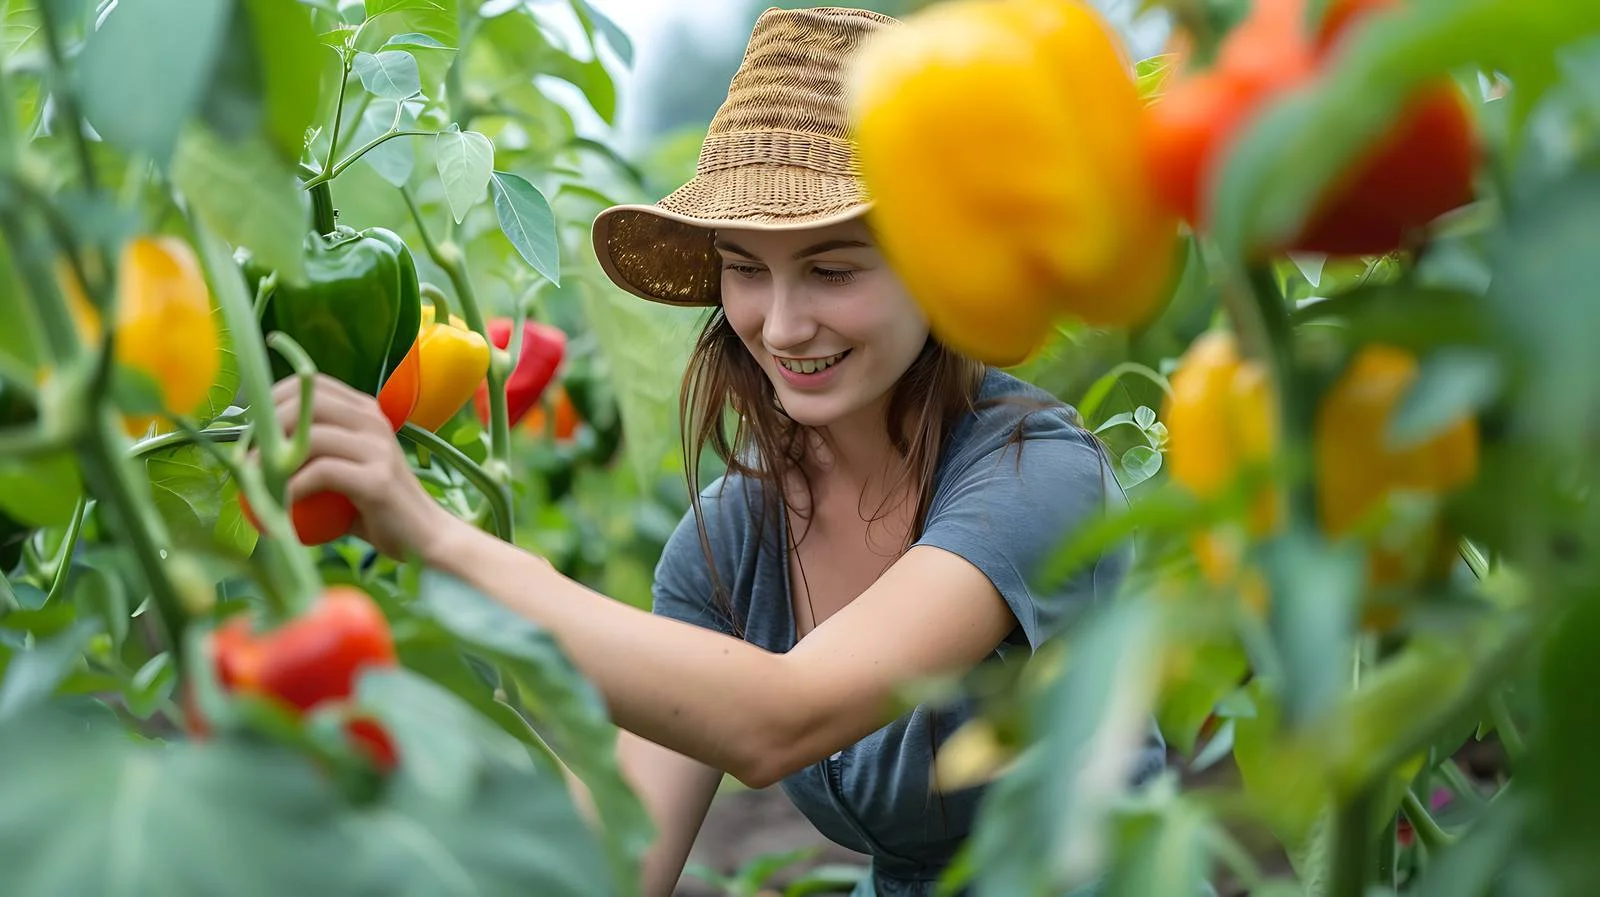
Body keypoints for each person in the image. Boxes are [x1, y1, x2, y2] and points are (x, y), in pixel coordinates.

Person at [271, 6, 1163, 895]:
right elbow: (617, 864)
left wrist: (440, 539)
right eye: (744, 267)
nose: (779, 324)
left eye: (833, 268)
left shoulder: (1034, 475)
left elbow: (779, 718)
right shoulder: (729, 540)